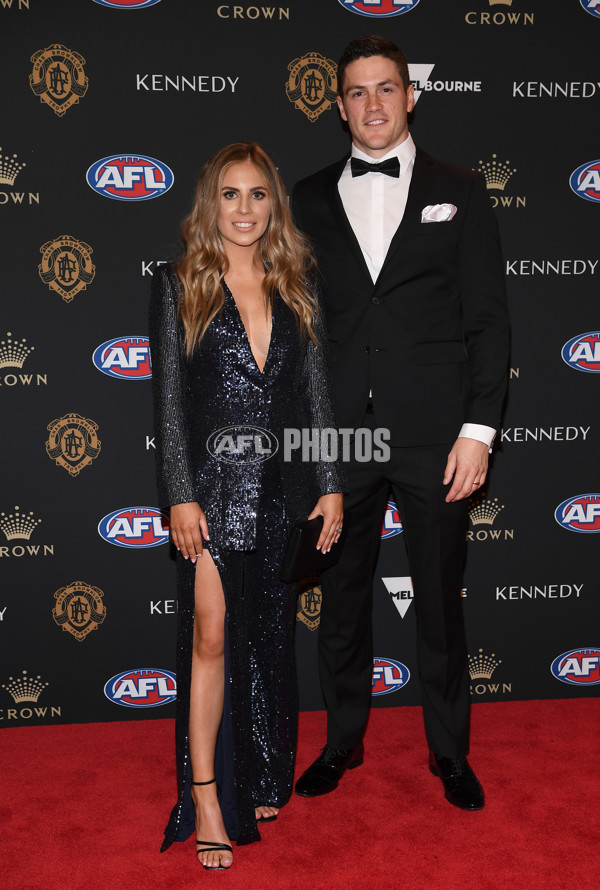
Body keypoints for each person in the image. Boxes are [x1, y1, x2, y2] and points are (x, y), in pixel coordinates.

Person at [292, 36, 509, 810]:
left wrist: (478, 432)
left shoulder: (463, 189)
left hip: (436, 436)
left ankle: (449, 753)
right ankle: (341, 742)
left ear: (410, 96)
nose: (373, 105)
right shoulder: (307, 197)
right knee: (342, 602)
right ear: (339, 103)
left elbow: (488, 322)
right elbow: (296, 327)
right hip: (341, 436)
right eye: (356, 92)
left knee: (441, 605)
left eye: (386, 89)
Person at [150, 142, 344, 869]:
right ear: (210, 204)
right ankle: (204, 794)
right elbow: (168, 404)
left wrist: (330, 484)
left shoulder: (297, 281)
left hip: (282, 492)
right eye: (230, 194)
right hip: (211, 493)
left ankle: (262, 771)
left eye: (257, 195)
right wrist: (180, 495)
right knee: (210, 637)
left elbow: (317, 395)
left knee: (266, 636)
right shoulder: (179, 284)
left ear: (274, 206)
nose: (243, 209)